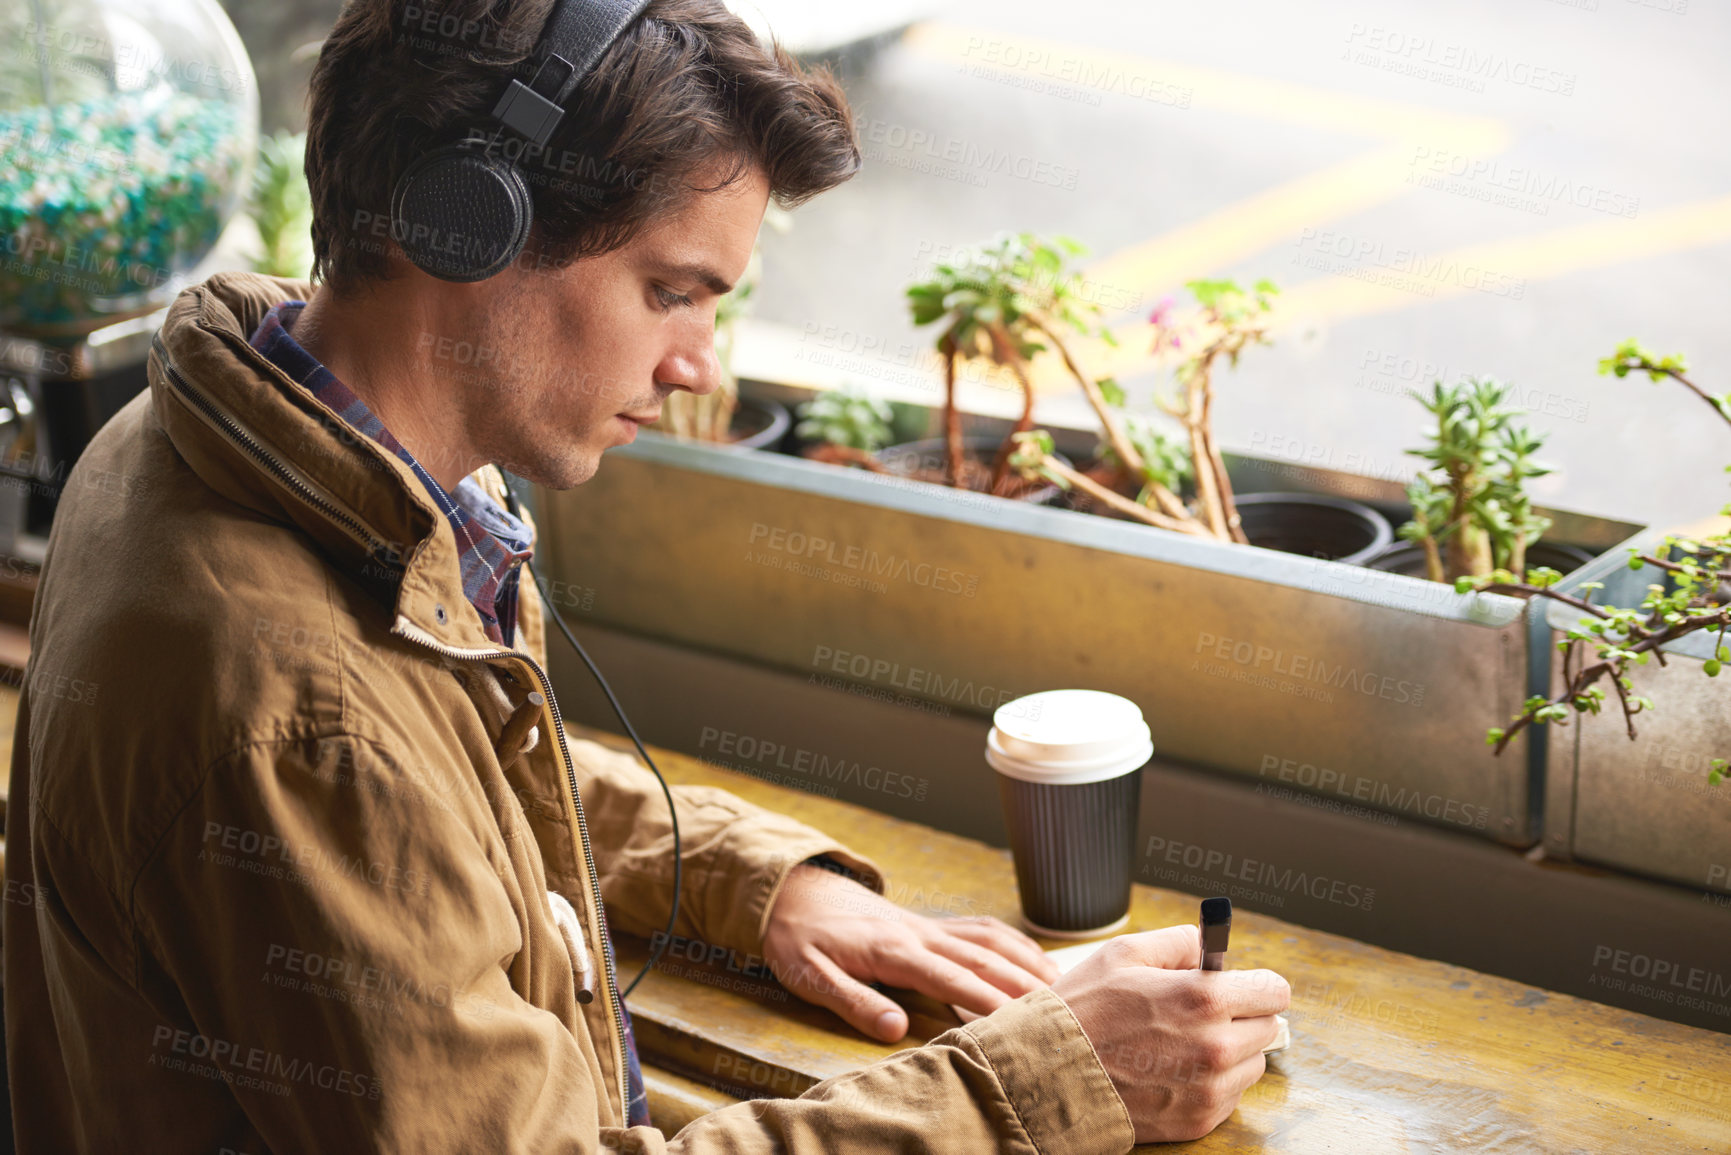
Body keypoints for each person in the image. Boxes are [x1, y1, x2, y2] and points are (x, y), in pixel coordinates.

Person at [2, 0, 1289, 1150]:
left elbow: (429, 784)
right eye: (672, 292)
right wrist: (1040, 1084)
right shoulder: (300, 717)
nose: (700, 367)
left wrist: (748, 883)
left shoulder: (202, 432)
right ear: (468, 228)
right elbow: (356, 772)